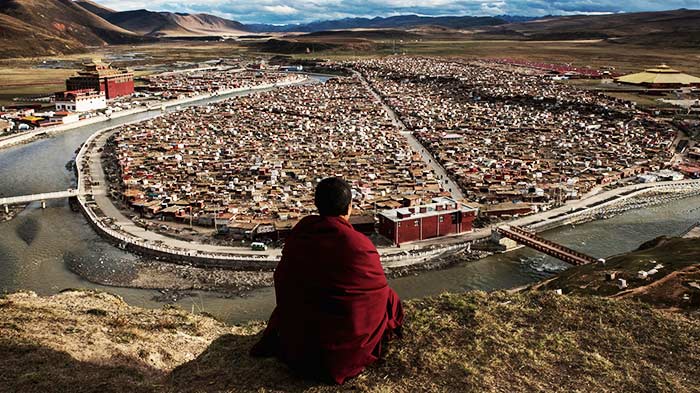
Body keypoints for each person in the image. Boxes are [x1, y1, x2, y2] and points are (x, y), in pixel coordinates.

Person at [250, 177, 404, 384]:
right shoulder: (358, 244)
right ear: (349, 207)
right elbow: (376, 291)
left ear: (317, 205)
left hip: (299, 345)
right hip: (340, 355)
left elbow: (284, 279)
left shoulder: (302, 232)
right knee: (389, 298)